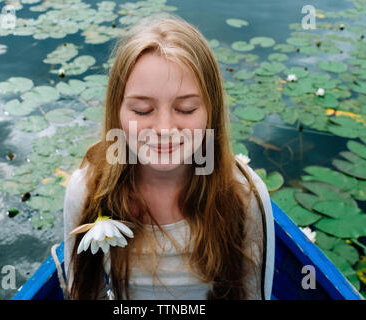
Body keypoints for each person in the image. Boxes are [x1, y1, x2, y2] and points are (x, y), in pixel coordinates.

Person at [63, 13, 274, 300]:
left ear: (211, 113)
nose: (164, 130)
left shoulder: (244, 195)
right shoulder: (87, 191)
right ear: (118, 112)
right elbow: (85, 292)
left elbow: (250, 294)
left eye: (186, 109)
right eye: (142, 110)